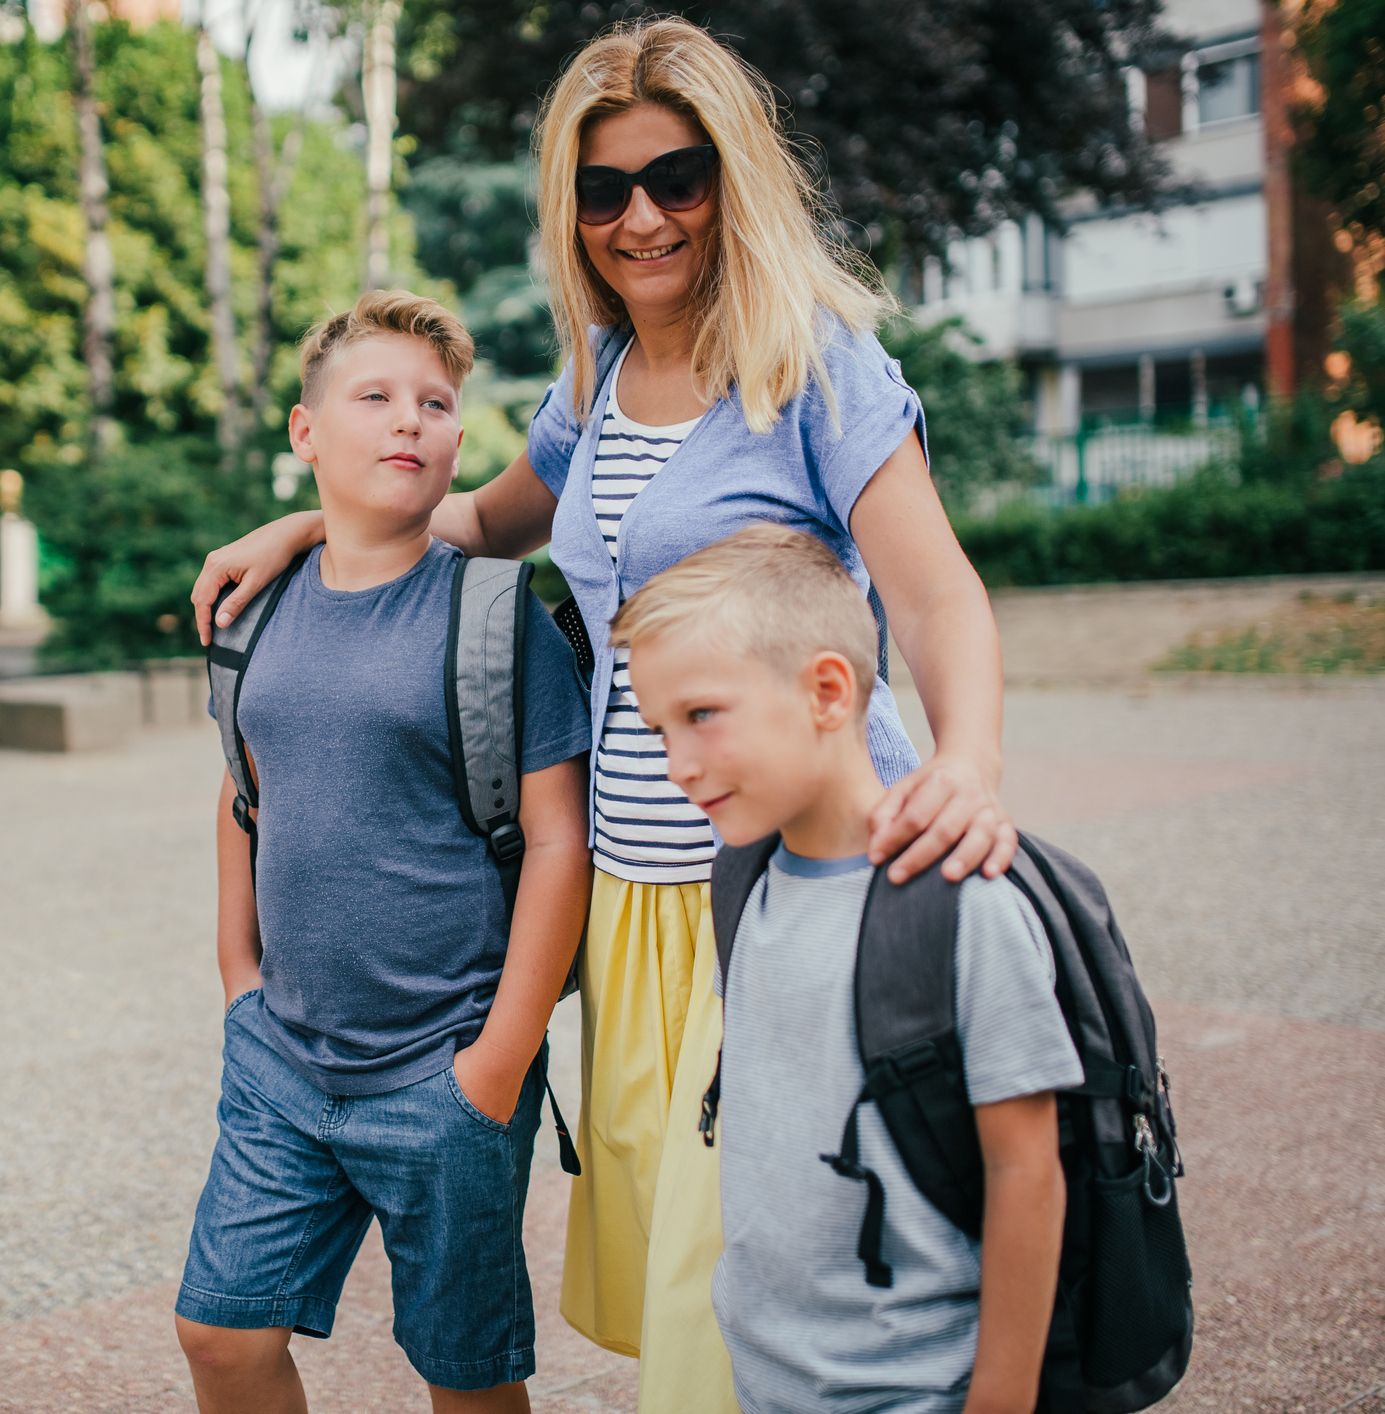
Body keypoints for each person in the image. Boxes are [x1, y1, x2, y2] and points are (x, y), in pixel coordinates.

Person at [191, 18, 1020, 1409]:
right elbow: (481, 516)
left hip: (776, 887)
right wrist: (296, 524)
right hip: (633, 906)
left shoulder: (809, 367)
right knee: (682, 1291)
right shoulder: (596, 377)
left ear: (732, 179)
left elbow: (936, 596)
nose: (640, 216)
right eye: (603, 188)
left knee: (738, 1303)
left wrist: (970, 760)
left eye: (676, 177)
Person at [173, 290, 592, 1413]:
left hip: (445, 1068)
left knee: (464, 1374)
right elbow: (242, 787)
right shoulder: (255, 611)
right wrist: (237, 983)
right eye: (376, 396)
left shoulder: (498, 617)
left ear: (461, 438)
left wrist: (496, 1064)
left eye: (437, 403)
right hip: (283, 1059)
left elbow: (559, 841)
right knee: (218, 1331)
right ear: (307, 432)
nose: (410, 420)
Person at [614, 524, 1079, 1413]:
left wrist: (1001, 1401)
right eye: (660, 729)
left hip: (910, 1390)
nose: (677, 765)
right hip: (767, 1380)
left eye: (702, 715)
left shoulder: (960, 907)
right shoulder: (742, 878)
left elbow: (1027, 1172)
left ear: (827, 691)